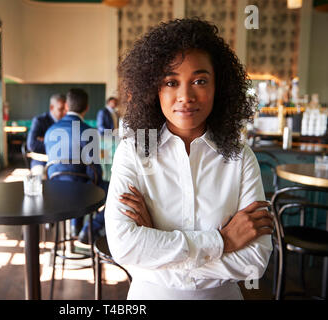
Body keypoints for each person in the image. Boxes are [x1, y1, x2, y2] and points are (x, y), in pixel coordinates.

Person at [105, 18, 274, 300]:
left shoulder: (240, 158)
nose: (185, 96)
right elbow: (124, 247)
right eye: (171, 82)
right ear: (154, 89)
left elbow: (254, 262)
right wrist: (224, 241)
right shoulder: (134, 151)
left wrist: (157, 246)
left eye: (199, 80)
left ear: (218, 86)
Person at [45, 88, 107, 243]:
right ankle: (89, 229)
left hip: (53, 192)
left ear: (66, 106)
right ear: (87, 108)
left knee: (76, 184)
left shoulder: (50, 130)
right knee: (116, 192)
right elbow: (95, 174)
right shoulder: (89, 132)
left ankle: (75, 226)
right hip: (79, 194)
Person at [27, 93, 66, 171]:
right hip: (41, 162)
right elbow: (32, 145)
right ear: (51, 107)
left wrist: (46, 140)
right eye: (61, 109)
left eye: (66, 110)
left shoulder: (68, 122)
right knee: (39, 173)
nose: (64, 113)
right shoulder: (39, 121)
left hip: (64, 163)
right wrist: (60, 144)